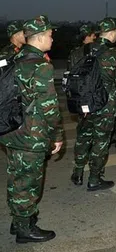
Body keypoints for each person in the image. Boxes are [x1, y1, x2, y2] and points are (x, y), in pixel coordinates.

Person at [0, 15, 64, 243]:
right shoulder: (40, 66)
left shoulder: (13, 58)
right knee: (29, 182)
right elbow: (49, 108)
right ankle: (25, 230)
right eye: (49, 35)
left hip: (10, 130)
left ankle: (17, 221)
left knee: (16, 177)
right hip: (31, 136)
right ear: (38, 38)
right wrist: (57, 135)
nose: (52, 39)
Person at [71, 17, 116, 191]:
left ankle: (77, 172)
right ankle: (94, 178)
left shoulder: (79, 51)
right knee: (101, 141)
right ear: (113, 33)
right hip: (105, 104)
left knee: (83, 137)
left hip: (84, 103)